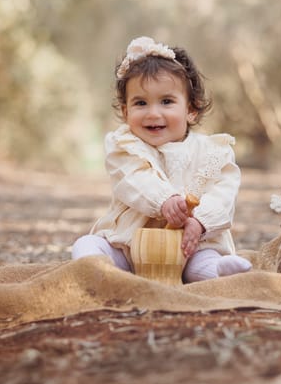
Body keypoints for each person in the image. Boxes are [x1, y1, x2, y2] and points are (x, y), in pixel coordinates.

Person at [71, 36, 252, 282]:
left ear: (191, 109)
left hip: (190, 247)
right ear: (126, 112)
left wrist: (200, 222)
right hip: (130, 247)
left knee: (201, 265)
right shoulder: (123, 146)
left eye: (166, 102)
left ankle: (220, 272)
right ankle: (99, 272)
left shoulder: (213, 152)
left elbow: (224, 195)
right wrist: (164, 200)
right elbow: (133, 179)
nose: (153, 113)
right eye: (140, 103)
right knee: (87, 243)